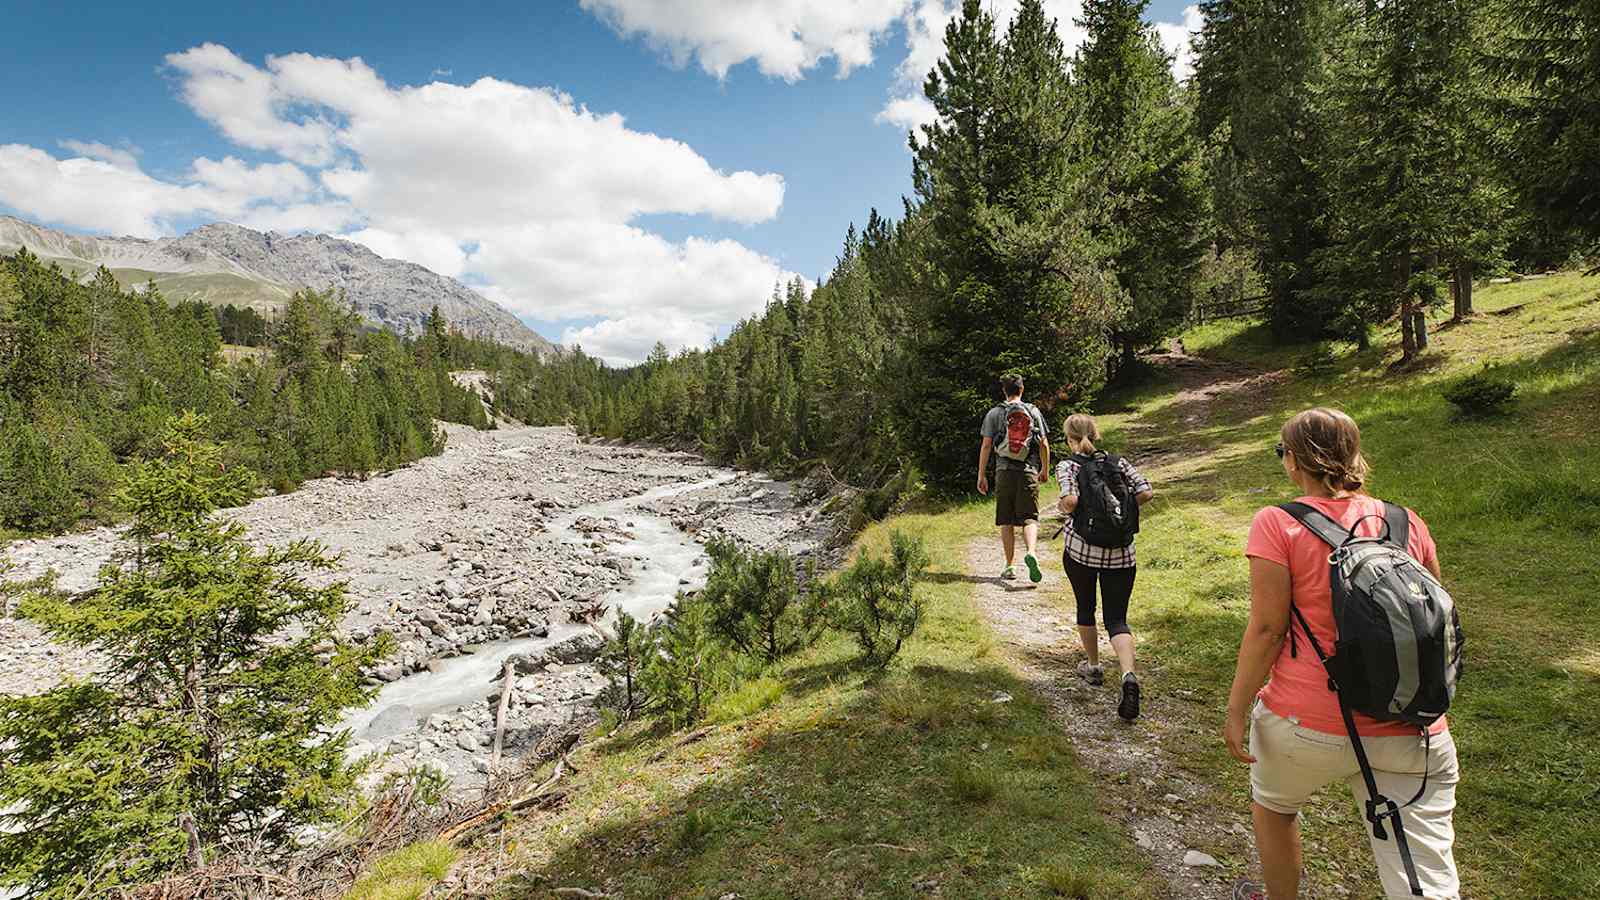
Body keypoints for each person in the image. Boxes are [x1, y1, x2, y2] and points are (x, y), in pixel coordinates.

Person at [1224, 408, 1460, 899]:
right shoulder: (1404, 521)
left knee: (1275, 804)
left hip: (1306, 723)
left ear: (1293, 460)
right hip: (1412, 723)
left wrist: (1236, 706)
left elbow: (1267, 629)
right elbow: (1433, 615)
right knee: (1423, 874)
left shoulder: (1277, 523)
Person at [1053, 413, 1153, 721]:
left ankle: (1093, 666)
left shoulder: (1068, 465)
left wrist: (1062, 508)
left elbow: (1069, 501)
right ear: (1095, 435)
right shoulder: (1118, 462)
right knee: (1117, 619)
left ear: (1069, 438)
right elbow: (1146, 492)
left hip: (1082, 551)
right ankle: (1128, 675)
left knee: (1086, 607)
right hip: (1122, 553)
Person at [977, 373, 1050, 583]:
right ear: (1022, 389)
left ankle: (1010, 566)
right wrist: (1044, 469)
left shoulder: (994, 413)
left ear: (1004, 391)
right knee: (1030, 518)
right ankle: (1032, 553)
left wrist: (982, 475)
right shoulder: (1033, 411)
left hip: (1004, 471)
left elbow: (986, 445)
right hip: (1028, 469)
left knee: (1006, 520)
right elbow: (1044, 443)